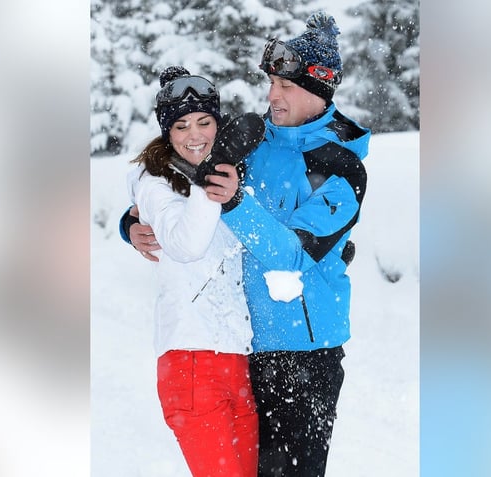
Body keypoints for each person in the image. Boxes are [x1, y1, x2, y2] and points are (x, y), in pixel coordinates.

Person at [123, 12, 371, 476]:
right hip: (243, 349)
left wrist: (234, 201)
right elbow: (181, 174)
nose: (272, 95)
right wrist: (131, 222)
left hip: (305, 357)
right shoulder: (251, 136)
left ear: (319, 91)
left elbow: (293, 254)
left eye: (286, 87)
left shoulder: (343, 169)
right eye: (271, 82)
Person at [127, 65, 262, 477]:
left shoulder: (232, 174)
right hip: (190, 364)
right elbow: (185, 244)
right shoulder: (154, 183)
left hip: (239, 362)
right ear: (167, 133)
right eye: (182, 126)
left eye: (205, 122)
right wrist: (213, 174)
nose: (195, 135)